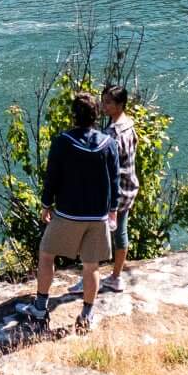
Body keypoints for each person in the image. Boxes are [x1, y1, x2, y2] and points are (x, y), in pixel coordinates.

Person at [34, 91, 120, 329]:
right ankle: (87, 314)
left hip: (68, 214)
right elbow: (115, 181)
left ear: (74, 115)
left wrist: (45, 204)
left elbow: (52, 177)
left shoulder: (63, 142)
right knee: (91, 266)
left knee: (47, 254)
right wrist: (113, 210)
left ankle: (40, 308)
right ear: (96, 115)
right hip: (98, 216)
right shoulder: (108, 143)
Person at [102, 84, 141, 294]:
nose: (103, 105)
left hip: (117, 192)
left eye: (108, 102)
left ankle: (105, 277)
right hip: (129, 186)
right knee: (120, 232)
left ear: (120, 104)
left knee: (104, 233)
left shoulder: (114, 133)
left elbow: (111, 168)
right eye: (103, 100)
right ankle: (115, 275)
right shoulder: (128, 125)